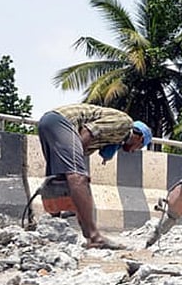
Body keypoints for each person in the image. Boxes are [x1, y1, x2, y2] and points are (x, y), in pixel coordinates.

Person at [37, 103, 152, 249]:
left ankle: (52, 227)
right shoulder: (125, 124)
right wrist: (78, 174)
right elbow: (88, 130)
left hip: (48, 123)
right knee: (78, 178)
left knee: (58, 179)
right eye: (139, 147)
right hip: (62, 121)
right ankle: (94, 237)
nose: (133, 151)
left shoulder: (110, 138)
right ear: (140, 138)